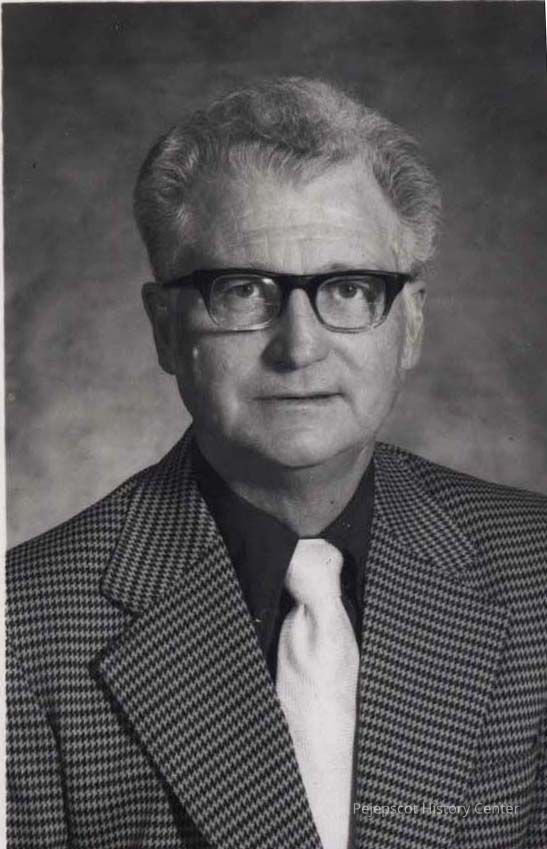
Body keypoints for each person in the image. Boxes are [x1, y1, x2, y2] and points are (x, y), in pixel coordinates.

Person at [7, 77, 546, 849]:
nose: (298, 347)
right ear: (166, 330)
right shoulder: (22, 629)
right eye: (241, 290)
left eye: (349, 288)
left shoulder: (535, 569)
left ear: (409, 325)